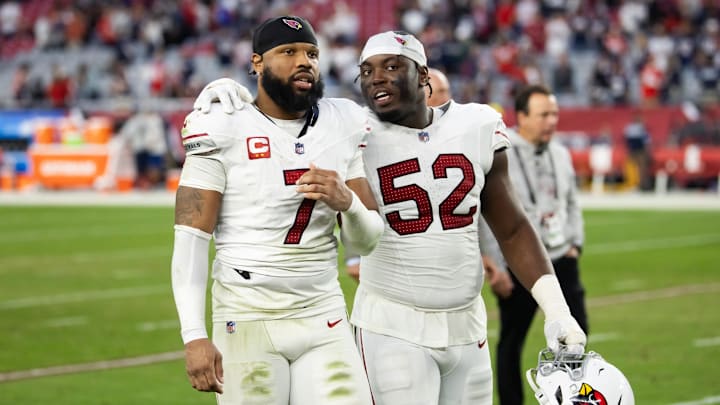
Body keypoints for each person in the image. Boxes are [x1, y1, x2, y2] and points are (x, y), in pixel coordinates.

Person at [197, 30, 586, 405]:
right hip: (392, 327)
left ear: (423, 75)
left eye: (391, 66)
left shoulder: (478, 125)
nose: (376, 78)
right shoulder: (351, 127)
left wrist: (557, 310)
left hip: (469, 327)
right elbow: (286, 112)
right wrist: (238, 100)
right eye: (366, 71)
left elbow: (513, 228)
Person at [171, 16, 384, 405]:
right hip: (247, 318)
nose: (305, 61)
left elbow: (367, 241)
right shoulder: (220, 124)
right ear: (257, 63)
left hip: (323, 312)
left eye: (312, 53)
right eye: (289, 52)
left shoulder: (345, 122)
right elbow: (190, 239)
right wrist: (193, 335)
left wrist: (347, 203)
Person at [480, 84, 589, 405]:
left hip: (560, 255)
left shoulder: (560, 151)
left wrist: (575, 245)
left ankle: (571, 399)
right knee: (512, 342)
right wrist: (495, 264)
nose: (551, 121)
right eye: (543, 114)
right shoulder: (501, 150)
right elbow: (488, 213)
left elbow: (571, 202)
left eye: (554, 114)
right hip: (519, 260)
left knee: (577, 335)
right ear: (522, 117)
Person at [342, 66, 453, 283]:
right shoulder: (380, 134)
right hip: (390, 252)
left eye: (446, 91)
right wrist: (354, 257)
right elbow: (358, 191)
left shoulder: (452, 137)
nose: (445, 98)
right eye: (438, 91)